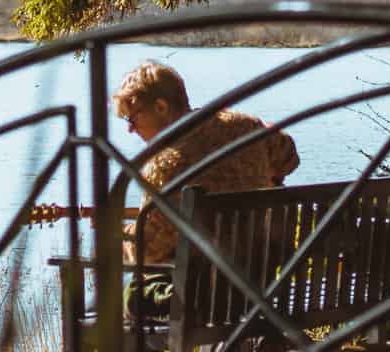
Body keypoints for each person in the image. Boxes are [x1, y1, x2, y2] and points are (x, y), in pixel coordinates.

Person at [112, 62, 299, 304]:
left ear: (161, 107)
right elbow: (289, 160)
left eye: (133, 118)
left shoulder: (164, 166)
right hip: (260, 287)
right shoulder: (246, 126)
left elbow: (146, 251)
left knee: (134, 295)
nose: (130, 129)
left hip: (206, 298)